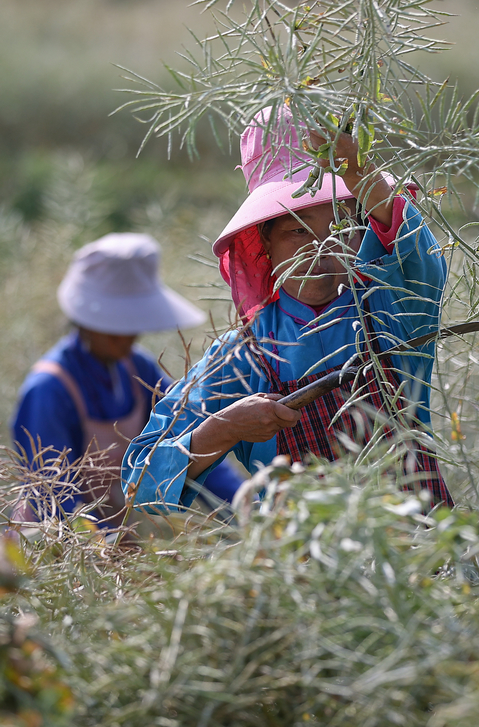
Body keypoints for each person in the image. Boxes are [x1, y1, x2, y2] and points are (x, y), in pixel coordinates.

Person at [122, 108, 453, 513]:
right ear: (264, 247)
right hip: (303, 568)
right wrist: (224, 429)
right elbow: (139, 483)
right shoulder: (243, 356)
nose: (321, 246)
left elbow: (420, 258)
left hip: (418, 555)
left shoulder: (390, 305)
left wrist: (357, 173)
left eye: (340, 228)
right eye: (297, 230)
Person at [11, 232, 244, 525]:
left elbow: (190, 442)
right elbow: (54, 501)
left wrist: (245, 511)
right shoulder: (49, 390)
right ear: (86, 321)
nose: (127, 337)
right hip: (54, 552)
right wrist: (106, 547)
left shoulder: (138, 370)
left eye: (132, 324)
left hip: (113, 542)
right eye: (113, 328)